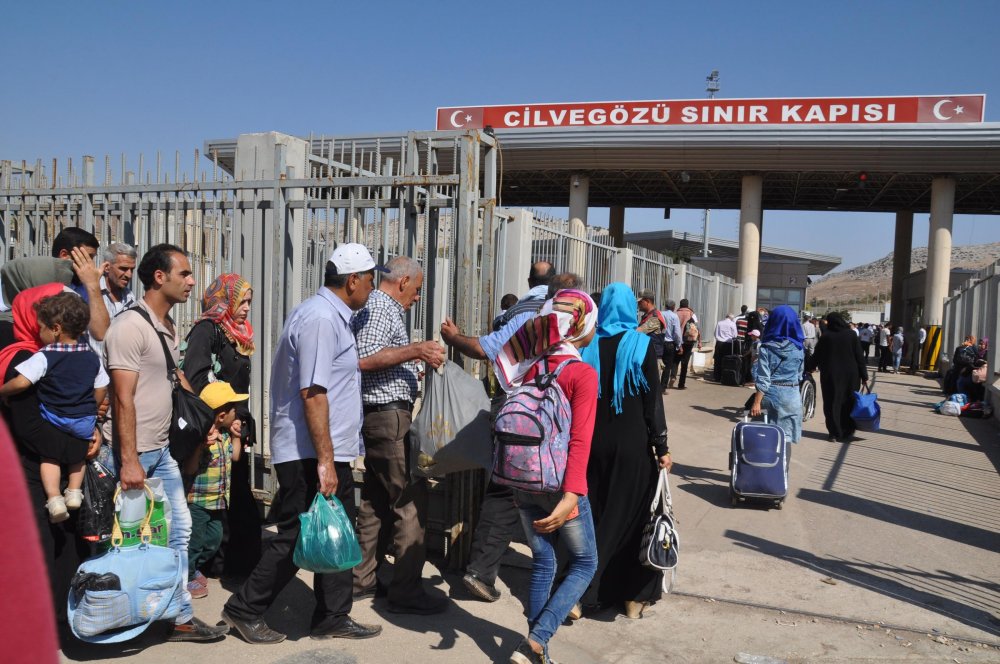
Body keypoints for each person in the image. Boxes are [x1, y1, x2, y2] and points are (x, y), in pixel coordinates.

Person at [222, 243, 383, 644]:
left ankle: (333, 615)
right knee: (298, 532)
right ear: (352, 281)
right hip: (310, 451)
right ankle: (244, 608)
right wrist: (325, 461)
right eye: (369, 279)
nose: (372, 287)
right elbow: (313, 392)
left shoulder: (332, 316)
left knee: (337, 531)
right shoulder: (320, 319)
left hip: (328, 450)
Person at [103, 243, 227, 642]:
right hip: (134, 454)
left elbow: (174, 380)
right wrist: (128, 460)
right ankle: (114, 615)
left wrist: (203, 419)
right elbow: (122, 398)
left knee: (179, 531)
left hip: (161, 451)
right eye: (185, 274)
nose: (192, 281)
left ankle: (178, 618)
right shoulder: (129, 327)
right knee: (124, 541)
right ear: (160, 277)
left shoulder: (166, 327)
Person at [440, 272, 583, 604]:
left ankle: (481, 571)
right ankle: (568, 589)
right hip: (559, 427)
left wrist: (454, 337)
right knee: (564, 497)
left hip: (517, 421)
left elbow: (485, 349)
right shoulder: (580, 328)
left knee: (505, 490)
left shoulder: (528, 320)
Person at [492, 289, 599, 664]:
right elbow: (581, 440)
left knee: (544, 560)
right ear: (583, 326)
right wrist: (573, 494)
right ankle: (537, 640)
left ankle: (536, 651)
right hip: (558, 486)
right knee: (585, 563)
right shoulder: (582, 373)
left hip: (520, 479)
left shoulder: (527, 366)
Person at [0, 283, 98, 642]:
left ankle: (60, 619)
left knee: (64, 543)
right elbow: (27, 427)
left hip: (50, 462)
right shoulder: (21, 359)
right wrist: (73, 445)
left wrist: (92, 430)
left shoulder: (55, 356)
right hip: (28, 468)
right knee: (42, 545)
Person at [351, 256, 447, 614]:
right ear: (403, 281)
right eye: (418, 289)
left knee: (376, 501)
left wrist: (409, 369)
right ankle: (406, 591)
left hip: (383, 416)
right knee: (410, 502)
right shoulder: (380, 306)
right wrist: (415, 351)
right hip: (388, 418)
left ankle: (362, 579)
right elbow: (364, 357)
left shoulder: (381, 307)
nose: (418, 297)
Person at [579, 283, 670, 620]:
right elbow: (653, 404)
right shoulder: (640, 344)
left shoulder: (587, 346)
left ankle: (583, 591)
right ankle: (631, 598)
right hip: (632, 446)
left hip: (591, 444)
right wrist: (661, 446)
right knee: (634, 518)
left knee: (596, 514)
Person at [0, 292, 108, 522]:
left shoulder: (44, 356)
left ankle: (54, 498)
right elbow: (101, 387)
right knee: (78, 456)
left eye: (42, 328)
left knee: (50, 458)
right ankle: (74, 492)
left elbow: (22, 382)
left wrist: (3, 391)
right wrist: (90, 407)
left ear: (56, 328)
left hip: (55, 419)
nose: (40, 333)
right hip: (84, 420)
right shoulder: (91, 357)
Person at [183, 273, 261, 580]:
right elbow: (197, 377)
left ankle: (230, 566)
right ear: (224, 300)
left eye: (249, 302)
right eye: (241, 301)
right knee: (209, 503)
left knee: (234, 496)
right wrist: (220, 417)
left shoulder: (238, 333)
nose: (245, 308)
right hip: (213, 429)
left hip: (234, 428)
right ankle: (208, 565)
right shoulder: (208, 330)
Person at [184, 382, 248, 599]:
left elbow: (236, 457)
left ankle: (192, 569)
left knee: (213, 540)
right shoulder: (203, 437)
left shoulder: (225, 435)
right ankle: (187, 575)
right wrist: (200, 446)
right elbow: (191, 468)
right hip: (198, 502)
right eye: (233, 410)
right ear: (221, 415)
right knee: (194, 542)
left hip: (218, 501)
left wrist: (237, 435)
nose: (236, 412)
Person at [749, 305, 805, 448]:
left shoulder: (766, 347)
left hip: (770, 396)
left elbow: (763, 377)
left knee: (766, 435)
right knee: (786, 438)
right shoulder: (799, 348)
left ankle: (766, 468)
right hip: (792, 395)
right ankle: (783, 469)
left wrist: (756, 402)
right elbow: (799, 374)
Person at [808, 312, 868, 442]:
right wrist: (864, 375)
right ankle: (847, 431)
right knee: (849, 402)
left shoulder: (826, 337)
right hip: (851, 376)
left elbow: (817, 356)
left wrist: (809, 368)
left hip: (831, 376)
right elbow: (859, 357)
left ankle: (833, 433)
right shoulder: (851, 335)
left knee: (831, 403)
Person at [99, 242, 137, 317]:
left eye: (132, 269)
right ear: (107, 267)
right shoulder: (91, 292)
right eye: (123, 269)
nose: (129, 275)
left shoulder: (129, 297)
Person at [673, 298, 701, 390]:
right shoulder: (692, 314)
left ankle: (673, 376)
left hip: (677, 340)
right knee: (684, 363)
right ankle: (681, 384)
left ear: (680, 305)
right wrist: (699, 341)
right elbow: (697, 328)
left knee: (675, 361)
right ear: (687, 305)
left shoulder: (676, 314)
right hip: (688, 340)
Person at [636, 288, 666, 368]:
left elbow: (637, 332)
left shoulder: (654, 318)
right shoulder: (647, 316)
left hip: (653, 360)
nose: (638, 304)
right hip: (648, 357)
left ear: (647, 301)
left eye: (640, 302)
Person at [660, 299, 683, 391]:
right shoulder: (674, 316)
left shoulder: (660, 314)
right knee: (667, 366)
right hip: (669, 344)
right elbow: (677, 332)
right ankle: (663, 387)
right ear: (673, 307)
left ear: (665, 306)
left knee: (657, 364)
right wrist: (679, 345)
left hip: (659, 342)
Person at [712, 313, 738, 381]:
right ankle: (725, 377)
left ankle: (717, 377)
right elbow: (735, 335)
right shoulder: (732, 324)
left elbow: (715, 333)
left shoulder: (719, 323)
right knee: (727, 360)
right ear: (731, 318)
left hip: (719, 343)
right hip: (728, 343)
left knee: (717, 360)